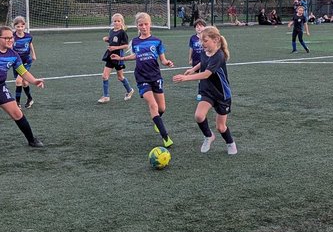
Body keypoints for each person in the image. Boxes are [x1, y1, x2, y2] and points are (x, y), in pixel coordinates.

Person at [172, 25, 237, 155]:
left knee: (221, 127)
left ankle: (230, 143)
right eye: (201, 41)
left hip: (221, 94)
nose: (202, 44)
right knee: (199, 116)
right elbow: (203, 61)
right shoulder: (204, 51)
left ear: (216, 39)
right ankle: (208, 136)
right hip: (207, 91)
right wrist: (193, 69)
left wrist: (185, 78)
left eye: (205, 40)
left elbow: (206, 74)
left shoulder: (219, 56)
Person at [117, 11, 175, 146]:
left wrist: (167, 63)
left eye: (146, 24)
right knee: (153, 105)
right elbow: (135, 55)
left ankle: (157, 121)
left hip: (155, 76)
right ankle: (166, 137)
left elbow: (163, 59)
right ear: (137, 26)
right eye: (140, 25)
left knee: (162, 108)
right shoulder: (135, 42)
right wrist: (122, 58)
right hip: (142, 77)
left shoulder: (157, 41)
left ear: (150, 25)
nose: (143, 27)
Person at [97, 13, 135, 102]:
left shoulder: (123, 33)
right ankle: (106, 96)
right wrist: (107, 39)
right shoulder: (111, 31)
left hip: (118, 57)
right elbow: (112, 41)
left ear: (122, 22)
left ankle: (130, 90)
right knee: (104, 76)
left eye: (118, 21)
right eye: (115, 21)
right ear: (112, 22)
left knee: (120, 77)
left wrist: (115, 48)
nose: (116, 23)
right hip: (110, 56)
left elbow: (126, 46)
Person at [11, 16, 37, 107]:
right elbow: (10, 47)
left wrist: (33, 54)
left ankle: (17, 103)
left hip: (26, 60)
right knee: (25, 82)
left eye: (22, 26)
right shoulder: (12, 37)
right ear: (14, 27)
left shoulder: (28, 36)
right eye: (18, 27)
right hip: (16, 62)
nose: (20, 28)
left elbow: (30, 44)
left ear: (24, 26)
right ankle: (30, 99)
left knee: (18, 81)